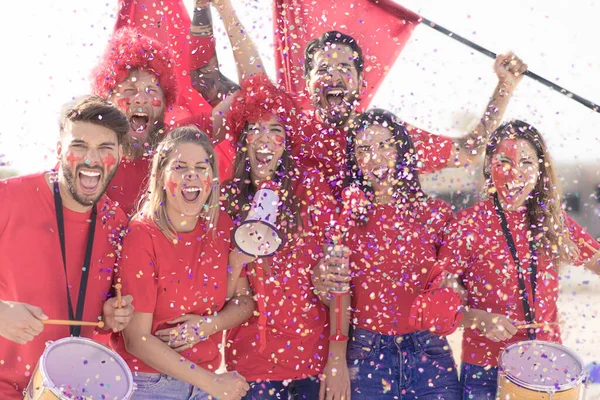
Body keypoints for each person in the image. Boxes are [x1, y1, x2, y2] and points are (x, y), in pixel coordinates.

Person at [439, 120, 600, 399]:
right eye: (504, 160)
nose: (515, 172)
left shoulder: (552, 221)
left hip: (550, 369)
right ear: (489, 164)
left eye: (526, 162)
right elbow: (438, 303)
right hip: (486, 372)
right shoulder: (465, 225)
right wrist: (477, 319)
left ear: (540, 170)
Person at [223, 74, 349, 400]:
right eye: (256, 128)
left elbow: (337, 278)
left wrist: (336, 357)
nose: (265, 138)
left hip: (313, 361)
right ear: (242, 139)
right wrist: (236, 261)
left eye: (276, 130)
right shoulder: (225, 201)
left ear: (287, 142)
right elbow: (215, 296)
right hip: (252, 366)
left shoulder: (311, 191)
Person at [0, 95, 134, 398]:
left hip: (72, 390)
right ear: (59, 149)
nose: (91, 159)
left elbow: (96, 313)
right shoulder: (7, 197)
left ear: (120, 154)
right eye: (79, 146)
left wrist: (109, 318)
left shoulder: (117, 221)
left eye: (104, 148)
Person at [112, 126, 255, 400]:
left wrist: (208, 326)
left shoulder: (221, 227)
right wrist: (213, 383)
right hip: (149, 385)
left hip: (205, 385)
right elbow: (136, 340)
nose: (192, 175)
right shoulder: (142, 235)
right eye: (180, 167)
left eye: (202, 167)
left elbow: (244, 301)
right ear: (162, 176)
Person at [341, 109, 463, 399]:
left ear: (402, 151)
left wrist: (452, 297)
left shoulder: (437, 214)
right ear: (355, 160)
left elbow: (459, 286)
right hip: (366, 356)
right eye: (364, 149)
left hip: (429, 354)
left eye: (385, 145)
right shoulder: (344, 219)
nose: (376, 156)